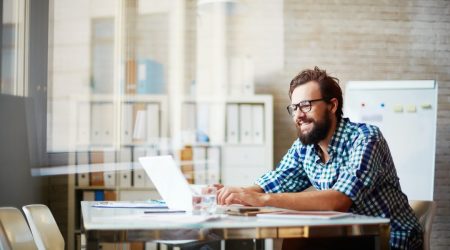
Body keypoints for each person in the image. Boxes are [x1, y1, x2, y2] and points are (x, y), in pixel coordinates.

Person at [216, 66, 423, 250]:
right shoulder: (305, 147)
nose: (298, 115)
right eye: (294, 108)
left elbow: (339, 200)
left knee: (300, 241)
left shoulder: (366, 138)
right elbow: (275, 182)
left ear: (332, 106)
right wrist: (232, 194)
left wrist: (261, 200)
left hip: (388, 238)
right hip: (349, 234)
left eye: (305, 105)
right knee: (296, 240)